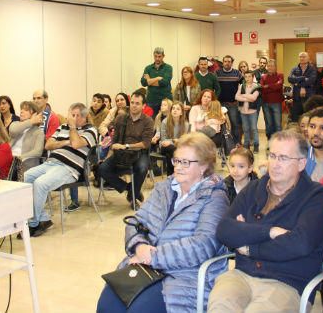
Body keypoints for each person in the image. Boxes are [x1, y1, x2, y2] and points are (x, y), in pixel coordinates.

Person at [96, 133, 229, 313]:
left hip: (183, 275)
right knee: (107, 305)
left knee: (137, 310)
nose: (179, 167)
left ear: (204, 166)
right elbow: (136, 222)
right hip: (145, 266)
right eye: (176, 161)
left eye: (186, 162)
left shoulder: (214, 197)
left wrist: (153, 257)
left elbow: (204, 244)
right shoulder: (165, 188)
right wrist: (139, 246)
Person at [209, 130, 323, 312]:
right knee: (220, 307)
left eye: (283, 158)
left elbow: (300, 243)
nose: (274, 164)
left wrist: (250, 245)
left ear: (301, 163)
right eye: (272, 156)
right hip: (241, 275)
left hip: (287, 282)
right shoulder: (253, 188)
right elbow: (224, 230)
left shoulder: (316, 197)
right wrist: (270, 232)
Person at [23, 103, 98, 236]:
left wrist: (73, 129)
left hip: (69, 168)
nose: (73, 118)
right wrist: (65, 142)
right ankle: (43, 218)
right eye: (72, 115)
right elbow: (48, 145)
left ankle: (34, 223)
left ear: (85, 117)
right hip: (51, 163)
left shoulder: (91, 130)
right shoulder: (63, 127)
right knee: (26, 177)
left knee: (40, 184)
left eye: (77, 115)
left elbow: (76, 144)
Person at [98, 91, 154, 205]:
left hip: (140, 152)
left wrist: (127, 146)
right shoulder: (121, 118)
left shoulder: (148, 121)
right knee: (102, 168)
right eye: (132, 102)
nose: (133, 105)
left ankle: (132, 194)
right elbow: (115, 138)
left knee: (142, 168)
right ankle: (131, 189)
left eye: (137, 103)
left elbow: (146, 143)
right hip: (122, 153)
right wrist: (114, 145)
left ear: (143, 106)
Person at [8, 101, 45, 178]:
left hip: (24, 164)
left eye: (26, 110)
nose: (21, 111)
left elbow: (37, 152)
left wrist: (19, 158)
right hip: (8, 160)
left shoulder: (39, 132)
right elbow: (13, 131)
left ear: (35, 114)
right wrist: (31, 121)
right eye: (21, 109)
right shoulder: (15, 124)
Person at [216, 55, 242, 144]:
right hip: (220, 103)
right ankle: (222, 143)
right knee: (219, 124)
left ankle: (236, 142)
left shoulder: (237, 73)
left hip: (233, 104)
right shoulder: (217, 73)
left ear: (232, 63)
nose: (227, 63)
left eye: (229, 61)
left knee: (235, 124)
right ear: (223, 63)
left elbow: (244, 86)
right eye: (225, 61)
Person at [140, 47, 173, 117]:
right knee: (151, 122)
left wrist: (149, 80)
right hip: (151, 100)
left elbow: (165, 82)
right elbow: (143, 82)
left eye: (159, 57)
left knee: (166, 122)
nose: (157, 59)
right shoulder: (148, 68)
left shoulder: (168, 68)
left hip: (165, 100)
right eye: (155, 56)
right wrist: (157, 78)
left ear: (163, 56)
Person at [159, 102, 188, 175]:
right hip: (164, 146)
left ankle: (171, 177)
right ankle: (179, 172)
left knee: (170, 155)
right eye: (173, 108)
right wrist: (174, 141)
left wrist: (173, 141)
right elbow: (163, 140)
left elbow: (185, 141)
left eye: (178, 109)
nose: (175, 110)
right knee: (172, 149)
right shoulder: (165, 122)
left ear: (181, 113)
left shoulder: (185, 124)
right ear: (171, 111)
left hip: (178, 148)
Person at [235, 70, 261, 153]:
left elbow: (254, 98)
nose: (247, 78)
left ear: (253, 77)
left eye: (249, 76)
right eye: (246, 77)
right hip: (243, 111)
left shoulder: (256, 86)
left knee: (253, 129)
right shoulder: (242, 85)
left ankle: (256, 145)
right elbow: (236, 97)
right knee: (245, 129)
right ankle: (246, 145)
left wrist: (243, 95)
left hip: (252, 111)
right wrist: (248, 97)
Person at [288, 52, 318, 122]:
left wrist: (298, 84)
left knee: (309, 117)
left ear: (308, 58)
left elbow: (311, 80)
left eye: (304, 57)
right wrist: (303, 78)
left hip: (309, 97)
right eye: (300, 57)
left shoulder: (312, 69)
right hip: (296, 98)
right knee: (295, 119)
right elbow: (290, 79)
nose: (302, 58)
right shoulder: (294, 69)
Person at [260, 59, 284, 141]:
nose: (270, 67)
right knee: (269, 124)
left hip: (277, 103)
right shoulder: (263, 77)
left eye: (272, 66)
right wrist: (273, 86)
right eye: (269, 66)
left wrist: (268, 86)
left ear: (275, 67)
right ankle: (270, 141)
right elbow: (262, 88)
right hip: (265, 103)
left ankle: (279, 142)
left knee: (278, 124)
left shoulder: (280, 75)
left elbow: (279, 86)